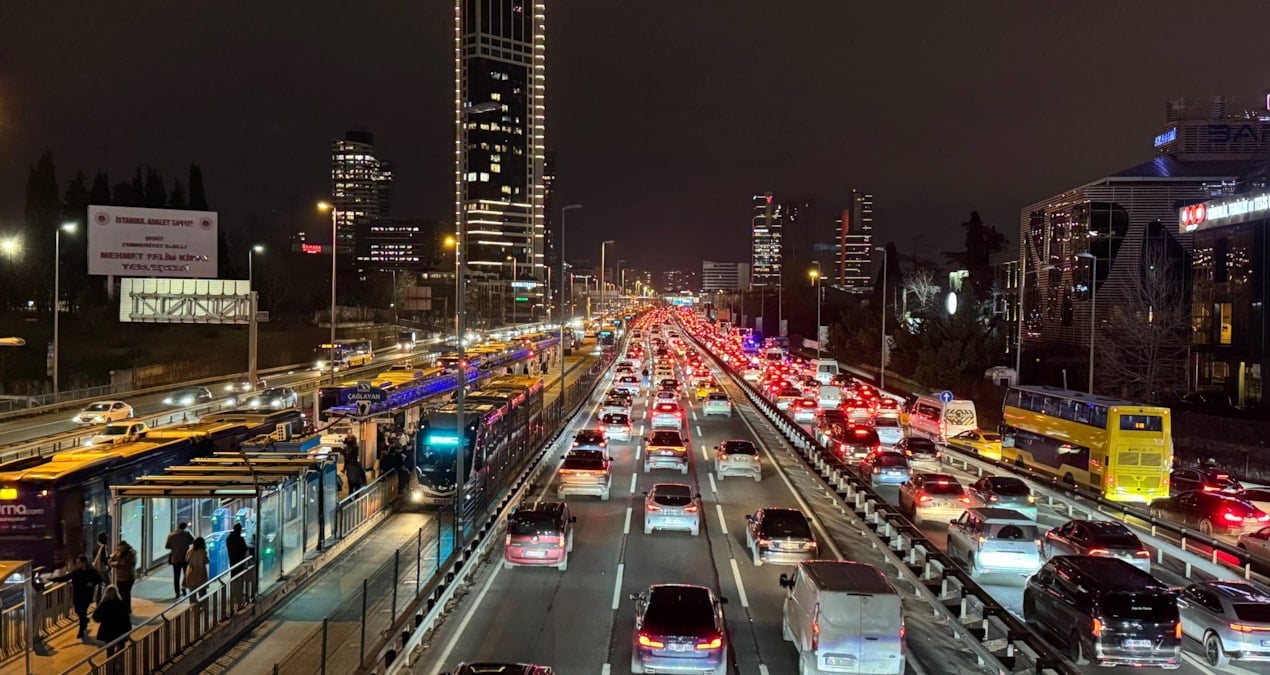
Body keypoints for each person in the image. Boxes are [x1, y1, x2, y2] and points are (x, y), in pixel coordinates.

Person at [48, 555, 102, 640]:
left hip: (86, 595)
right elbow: (66, 578)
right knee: (78, 610)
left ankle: (81, 631)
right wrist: (53, 579)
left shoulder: (91, 571)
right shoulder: (77, 572)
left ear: (84, 563)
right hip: (77, 595)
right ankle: (84, 621)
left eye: (79, 562)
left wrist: (92, 583)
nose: (77, 564)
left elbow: (99, 579)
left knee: (82, 612)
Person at [92, 585, 131, 657]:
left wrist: (103, 619)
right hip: (120, 630)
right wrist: (128, 629)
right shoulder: (120, 603)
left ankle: (110, 665)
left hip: (107, 630)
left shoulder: (104, 604)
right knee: (121, 646)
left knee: (110, 649)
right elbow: (126, 617)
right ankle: (117, 661)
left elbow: (95, 617)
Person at [164, 522, 194, 598]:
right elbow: (193, 541)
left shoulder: (171, 535)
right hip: (185, 558)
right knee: (186, 575)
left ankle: (177, 593)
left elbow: (167, 546)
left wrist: (175, 547)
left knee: (176, 576)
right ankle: (184, 588)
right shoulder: (186, 534)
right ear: (185, 527)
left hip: (175, 558)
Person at [108, 540, 136, 614]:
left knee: (126, 594)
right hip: (120, 577)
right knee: (121, 593)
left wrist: (115, 563)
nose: (120, 548)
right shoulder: (118, 552)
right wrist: (115, 562)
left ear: (125, 546)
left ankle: (127, 609)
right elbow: (110, 561)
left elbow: (122, 563)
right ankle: (125, 608)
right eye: (120, 547)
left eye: (122, 547)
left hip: (128, 577)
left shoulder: (130, 553)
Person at [183, 537, 209, 602]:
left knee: (192, 593)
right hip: (200, 573)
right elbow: (206, 561)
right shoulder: (203, 552)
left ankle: (193, 608)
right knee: (202, 593)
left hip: (191, 573)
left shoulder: (190, 551)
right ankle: (202, 607)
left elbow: (186, 560)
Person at [91, 533, 111, 603]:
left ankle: (98, 600)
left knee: (99, 584)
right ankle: (105, 600)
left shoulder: (96, 546)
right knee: (108, 583)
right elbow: (104, 558)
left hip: (96, 568)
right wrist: (109, 565)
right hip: (102, 568)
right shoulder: (103, 547)